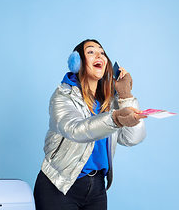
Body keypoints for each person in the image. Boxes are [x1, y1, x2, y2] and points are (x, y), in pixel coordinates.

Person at [33, 39, 147, 210]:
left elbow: (133, 138)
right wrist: (114, 119)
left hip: (97, 188)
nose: (99, 55)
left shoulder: (108, 103)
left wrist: (125, 95)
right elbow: (76, 130)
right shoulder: (63, 96)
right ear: (77, 62)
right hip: (59, 185)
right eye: (91, 52)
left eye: (102, 52)